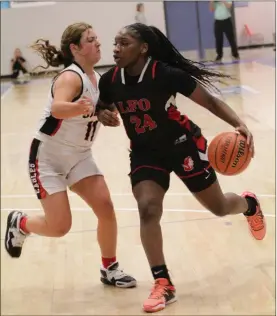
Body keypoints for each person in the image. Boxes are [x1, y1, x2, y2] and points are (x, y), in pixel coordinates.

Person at [96, 23, 266, 313]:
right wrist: (104, 114)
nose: (116, 48)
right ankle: (163, 283)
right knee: (148, 207)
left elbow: (210, 101)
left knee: (220, 207)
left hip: (182, 145)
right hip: (145, 152)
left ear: (143, 48)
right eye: (115, 43)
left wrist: (239, 123)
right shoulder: (110, 79)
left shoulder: (165, 74)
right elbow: (104, 105)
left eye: (123, 43)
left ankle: (249, 204)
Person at [4, 22, 136, 289]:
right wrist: (79, 108)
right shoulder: (70, 77)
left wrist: (104, 114)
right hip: (47, 158)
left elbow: (95, 110)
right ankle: (21, 223)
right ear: (75, 49)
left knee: (106, 208)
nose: (98, 42)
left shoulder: (97, 80)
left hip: (79, 157)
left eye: (97, 37)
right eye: (91, 39)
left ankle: (109, 268)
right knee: (60, 227)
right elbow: (57, 109)